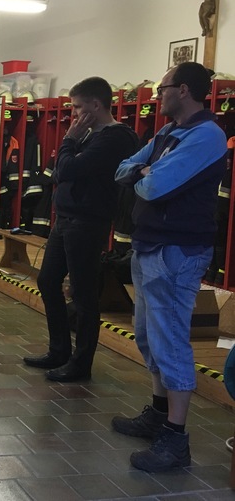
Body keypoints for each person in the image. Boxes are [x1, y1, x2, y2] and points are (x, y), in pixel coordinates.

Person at [113, 62, 226, 472]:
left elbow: (154, 186)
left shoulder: (207, 136)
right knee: (149, 337)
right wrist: (141, 171)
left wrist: (144, 174)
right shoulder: (167, 133)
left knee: (171, 342)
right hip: (149, 245)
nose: (158, 96)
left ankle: (176, 440)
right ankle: (159, 415)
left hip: (177, 251)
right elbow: (123, 169)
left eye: (163, 89)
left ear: (183, 90)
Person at [24, 77, 138, 382]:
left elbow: (67, 169)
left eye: (77, 107)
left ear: (95, 105)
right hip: (66, 220)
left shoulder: (115, 137)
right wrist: (72, 148)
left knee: (84, 293)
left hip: (87, 223)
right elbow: (61, 172)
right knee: (48, 281)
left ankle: (80, 363)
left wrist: (69, 140)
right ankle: (59, 350)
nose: (73, 113)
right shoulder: (88, 135)